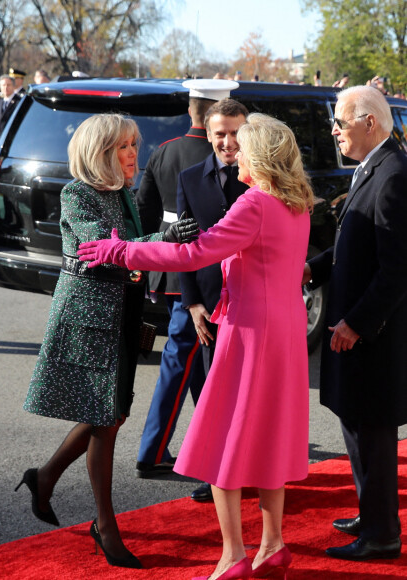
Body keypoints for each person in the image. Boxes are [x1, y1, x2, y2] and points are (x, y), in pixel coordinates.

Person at [78, 113, 314, 580]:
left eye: (242, 146)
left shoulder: (256, 204)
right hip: (285, 334)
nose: (234, 153)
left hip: (249, 335)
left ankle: (233, 556)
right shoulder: (298, 204)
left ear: (259, 156)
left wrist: (121, 251)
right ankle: (272, 545)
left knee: (223, 440)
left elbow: (194, 253)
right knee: (268, 439)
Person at [20, 113, 198, 570]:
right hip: (89, 319)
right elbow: (105, 247)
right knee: (107, 417)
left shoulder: (121, 193)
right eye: (124, 147)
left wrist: (166, 240)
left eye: (134, 144)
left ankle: (44, 478)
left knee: (109, 415)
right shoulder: (76, 193)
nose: (134, 153)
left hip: (120, 313)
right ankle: (104, 523)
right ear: (100, 152)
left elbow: (131, 246)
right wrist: (165, 237)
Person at [304, 85, 407, 562]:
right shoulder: (375, 166)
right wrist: (315, 267)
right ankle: (372, 515)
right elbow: (354, 242)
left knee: (374, 435)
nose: (334, 131)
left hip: (373, 337)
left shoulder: (394, 175)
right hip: (359, 331)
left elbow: (397, 269)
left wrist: (358, 324)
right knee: (358, 429)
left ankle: (382, 534)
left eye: (340, 123)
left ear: (369, 123)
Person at [134, 79, 238, 503]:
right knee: (187, 363)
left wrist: (163, 242)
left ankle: (175, 447)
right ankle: (156, 449)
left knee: (193, 364)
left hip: (172, 270)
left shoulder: (164, 150)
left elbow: (144, 213)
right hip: (206, 276)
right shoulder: (226, 156)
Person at [178, 98, 249, 379]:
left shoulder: (264, 179)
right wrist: (192, 302)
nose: (228, 142)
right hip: (208, 305)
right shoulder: (189, 179)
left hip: (251, 299)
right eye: (220, 134)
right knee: (213, 384)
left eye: (236, 133)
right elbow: (184, 243)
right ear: (208, 135)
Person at [0, 75, 21, 158]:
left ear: (13, 86)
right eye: (3, 85)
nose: (6, 87)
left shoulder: (19, 102)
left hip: (13, 146)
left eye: (8, 85)